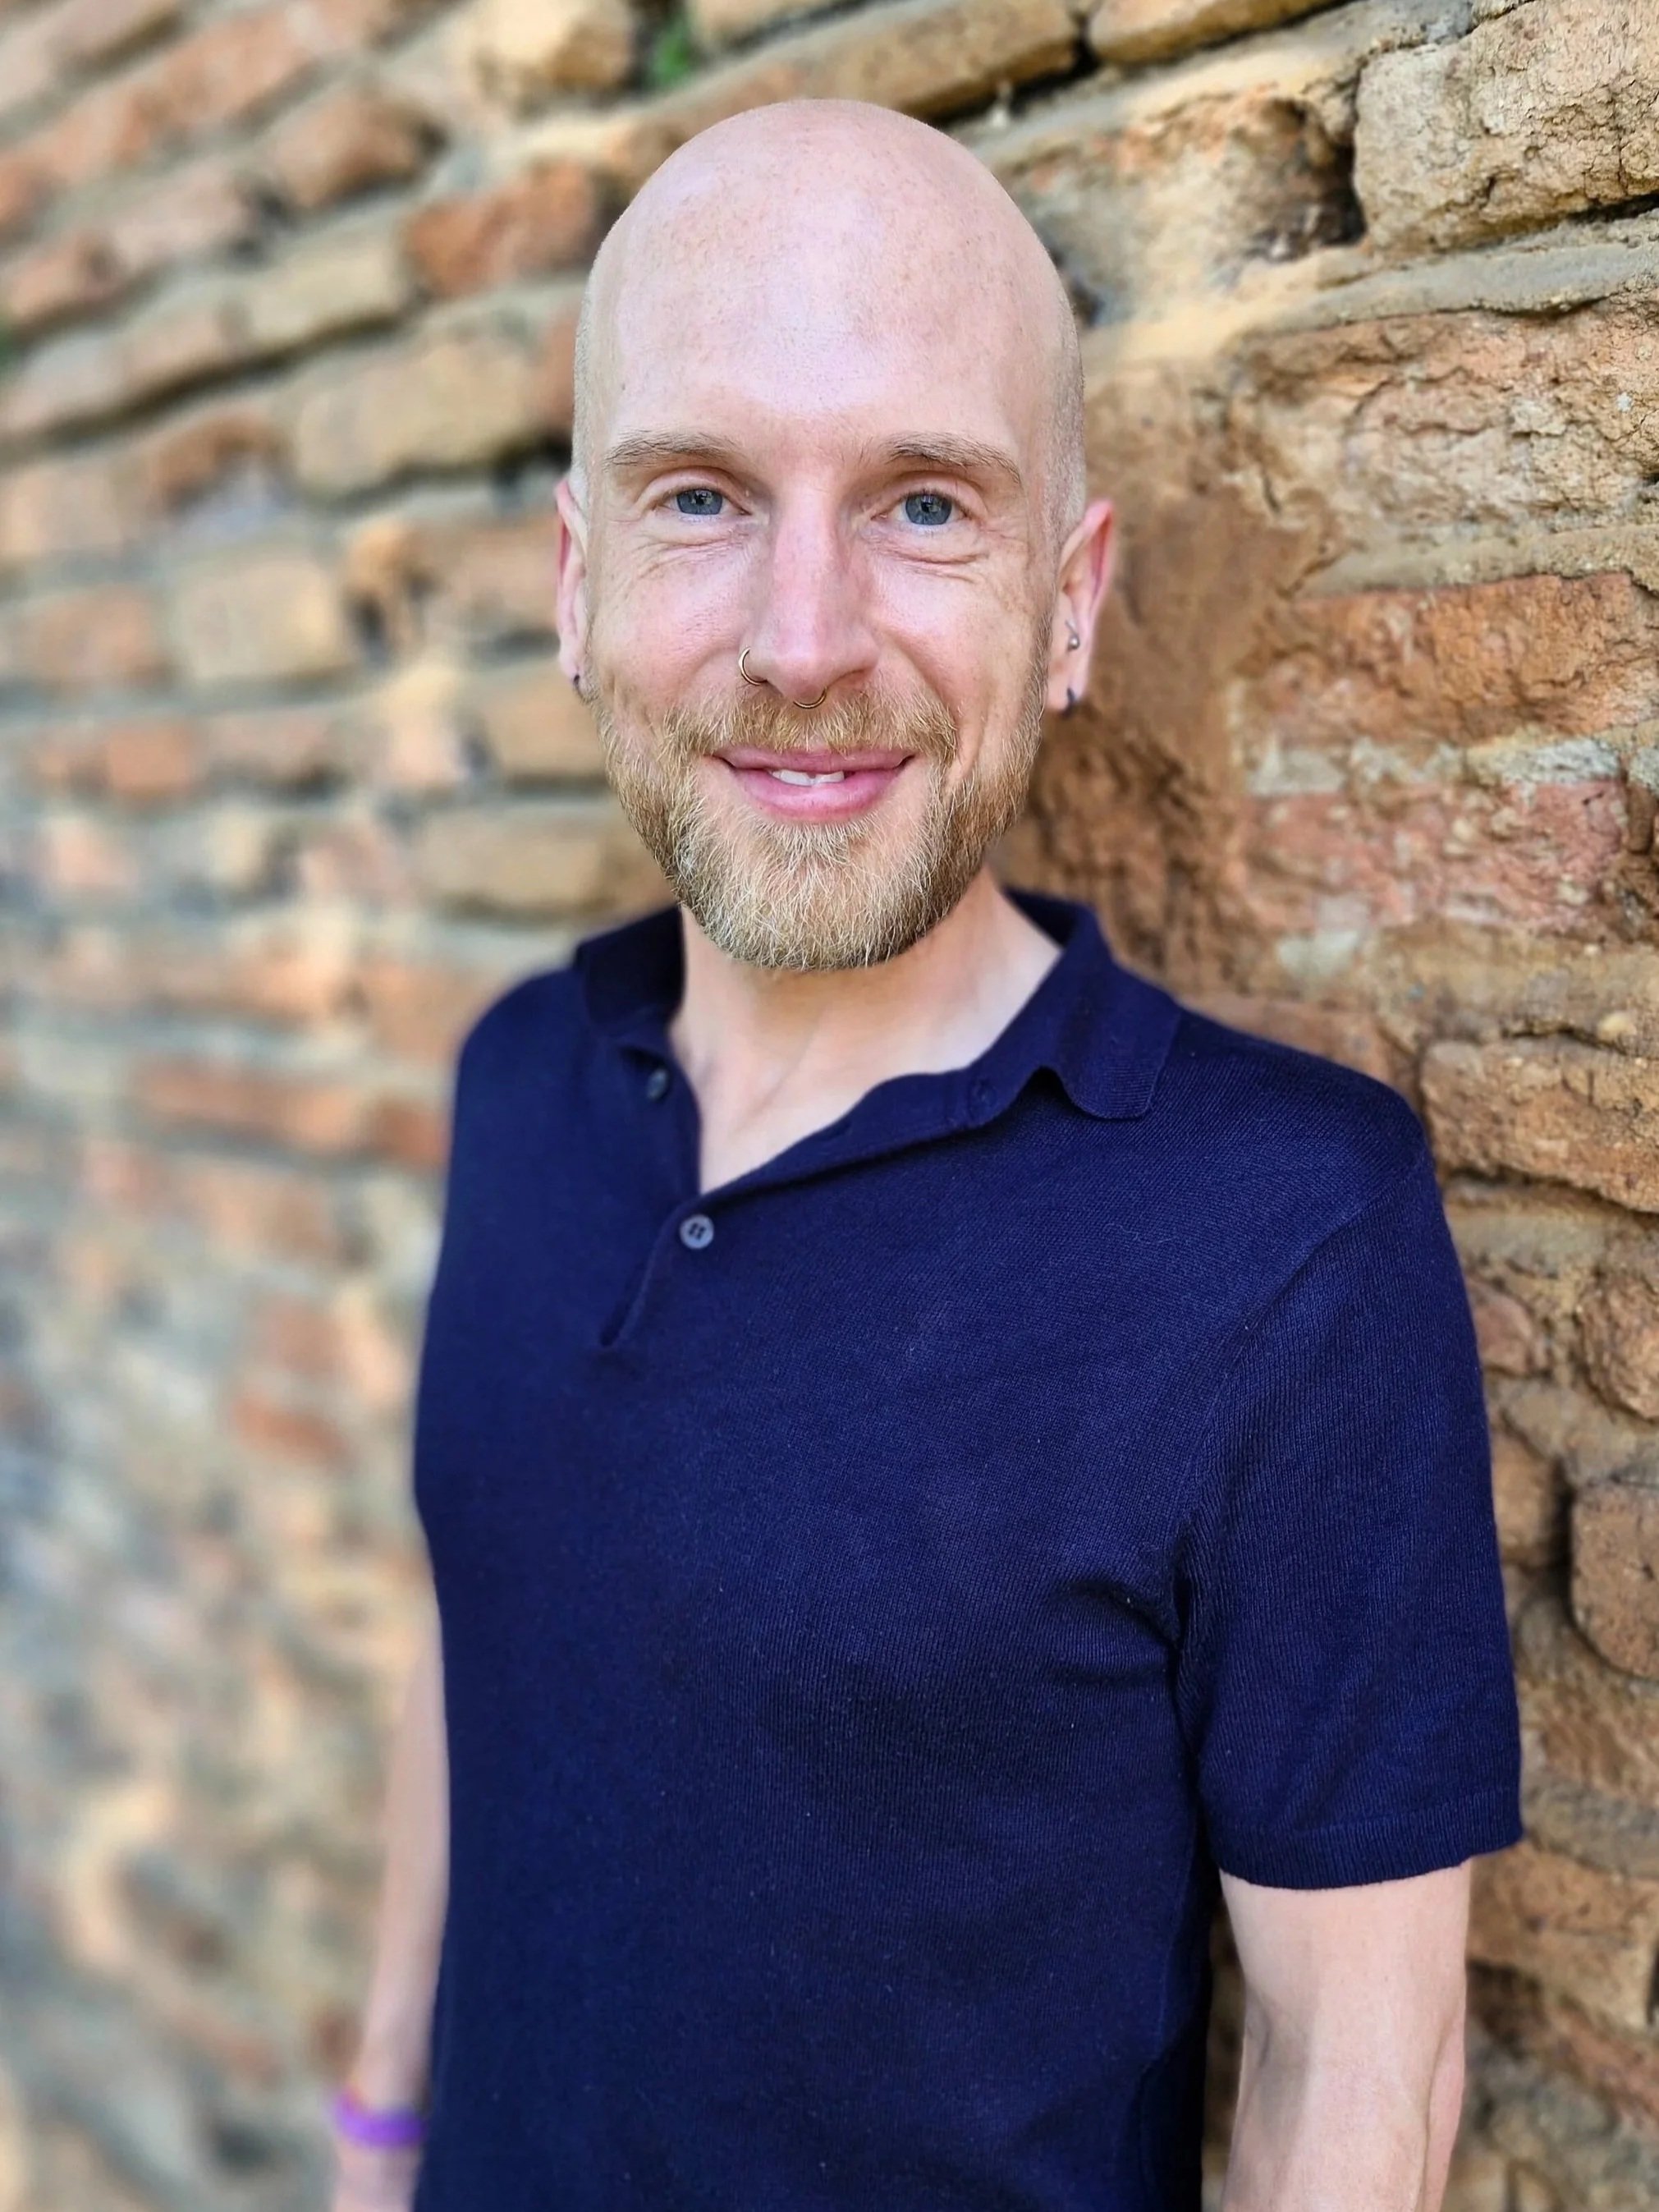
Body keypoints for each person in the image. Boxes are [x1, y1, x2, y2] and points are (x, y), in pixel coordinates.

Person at [328, 97, 1523, 2212]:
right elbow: (481, 1640)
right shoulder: (521, 1083)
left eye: (924, 505)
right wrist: (374, 2134)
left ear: (1069, 606)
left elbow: (1360, 2076)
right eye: (702, 495)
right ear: (579, 586)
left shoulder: (1284, 1238)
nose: (804, 640)